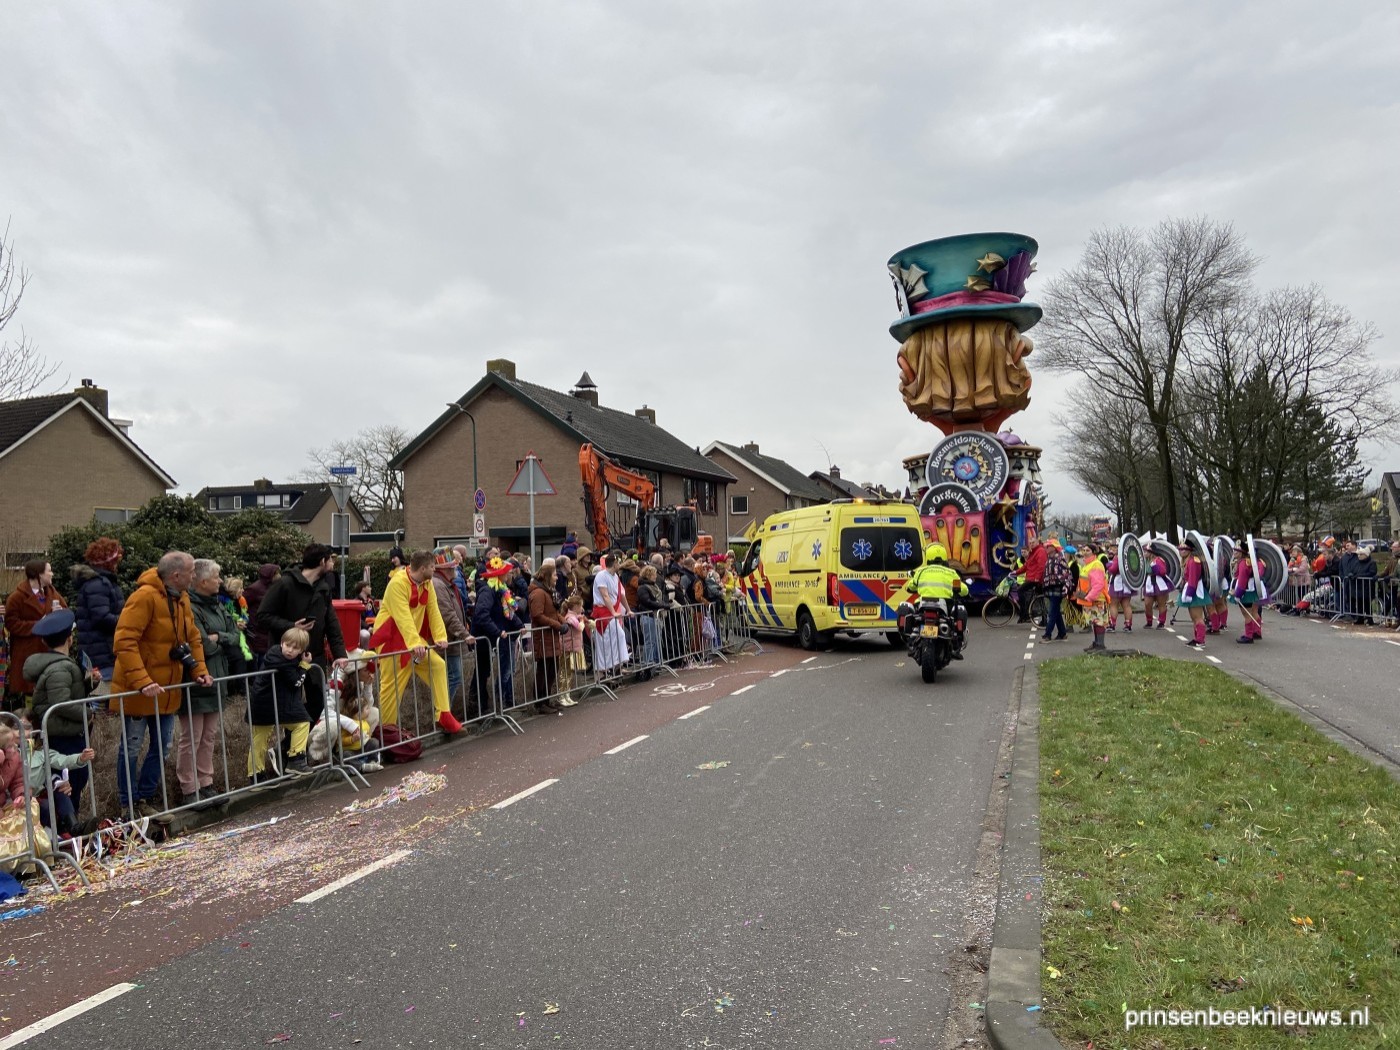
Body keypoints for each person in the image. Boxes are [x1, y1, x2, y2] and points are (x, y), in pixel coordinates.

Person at [109, 551, 213, 818]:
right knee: (131, 747)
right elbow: (124, 642)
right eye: (191, 572)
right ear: (176, 575)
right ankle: (128, 804)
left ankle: (144, 798)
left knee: (163, 746)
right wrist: (142, 681)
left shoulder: (182, 599)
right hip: (139, 689)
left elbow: (193, 638)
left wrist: (198, 670)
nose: (194, 576)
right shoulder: (143, 597)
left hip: (167, 689)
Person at [370, 550, 463, 734]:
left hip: (413, 640)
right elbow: (402, 617)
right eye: (431, 566)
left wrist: (440, 636)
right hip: (392, 639)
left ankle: (443, 714)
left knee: (437, 665)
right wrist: (414, 643)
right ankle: (387, 731)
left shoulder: (427, 583)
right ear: (422, 568)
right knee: (391, 687)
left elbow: (433, 610)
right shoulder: (397, 584)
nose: (435, 568)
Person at [25, 608, 101, 815]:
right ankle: (68, 834)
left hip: (66, 732)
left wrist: (88, 684)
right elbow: (61, 703)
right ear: (69, 638)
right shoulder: (59, 668)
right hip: (65, 736)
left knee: (72, 783)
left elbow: (67, 694)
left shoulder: (59, 665)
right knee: (68, 786)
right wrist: (88, 714)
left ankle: (69, 830)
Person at [180, 559, 240, 806]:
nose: (220, 581)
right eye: (216, 577)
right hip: (197, 679)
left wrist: (221, 637)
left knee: (209, 736)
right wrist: (219, 640)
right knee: (191, 737)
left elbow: (235, 636)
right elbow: (203, 643)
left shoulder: (217, 606)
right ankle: (188, 787)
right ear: (203, 581)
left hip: (217, 677)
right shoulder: (191, 608)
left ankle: (206, 782)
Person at [247, 627, 315, 780]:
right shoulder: (280, 660)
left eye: (295, 648)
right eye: (287, 645)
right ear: (281, 643)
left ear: (302, 650)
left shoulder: (288, 659)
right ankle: (256, 776)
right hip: (263, 704)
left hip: (277, 704)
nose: (290, 650)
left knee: (302, 723)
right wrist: (304, 665)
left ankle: (295, 759)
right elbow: (296, 682)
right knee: (260, 739)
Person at [14, 711, 95, 838]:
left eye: (26, 727)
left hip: (36, 797)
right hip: (17, 801)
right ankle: (53, 837)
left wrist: (81, 758)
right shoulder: (7, 753)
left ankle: (74, 827)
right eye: (16, 727)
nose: (20, 731)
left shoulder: (40, 751)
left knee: (59, 789)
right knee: (45, 807)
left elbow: (62, 760)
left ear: (35, 730)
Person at [5, 559, 68, 710]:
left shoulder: (53, 593)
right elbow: (11, 624)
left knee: (49, 689)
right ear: (38, 575)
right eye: (49, 570)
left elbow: (66, 612)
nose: (52, 573)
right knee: (30, 692)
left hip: (50, 651)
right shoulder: (17, 597)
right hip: (27, 654)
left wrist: (60, 615)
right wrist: (39, 625)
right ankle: (30, 725)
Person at [309, 649, 383, 771]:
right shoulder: (337, 681)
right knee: (332, 725)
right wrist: (351, 725)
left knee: (374, 713)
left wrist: (368, 685)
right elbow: (325, 712)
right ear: (356, 670)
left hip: (350, 731)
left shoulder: (359, 680)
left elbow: (367, 706)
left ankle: (360, 751)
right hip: (331, 726)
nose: (370, 673)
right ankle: (318, 760)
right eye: (366, 670)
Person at [472, 556, 524, 715]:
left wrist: (519, 625)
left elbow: (507, 612)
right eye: (507, 573)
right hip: (488, 639)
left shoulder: (501, 590)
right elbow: (481, 615)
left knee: (498, 671)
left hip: (498, 637)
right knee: (485, 673)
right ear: (500, 575)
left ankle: (494, 706)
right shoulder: (488, 591)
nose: (510, 576)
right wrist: (497, 632)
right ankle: (484, 708)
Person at [72, 537, 125, 688]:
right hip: (103, 655)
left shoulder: (100, 582)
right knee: (104, 702)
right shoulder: (99, 584)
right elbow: (102, 618)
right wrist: (126, 621)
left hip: (99, 652)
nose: (117, 565)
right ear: (108, 562)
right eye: (116, 560)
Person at [902, 543, 968, 656]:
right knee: (960, 610)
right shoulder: (951, 573)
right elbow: (964, 590)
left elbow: (910, 586)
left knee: (905, 606)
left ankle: (909, 639)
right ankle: (957, 642)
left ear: (928, 556)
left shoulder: (921, 571)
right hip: (944, 607)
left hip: (923, 606)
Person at [429, 547, 473, 711]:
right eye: (453, 566)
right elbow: (447, 614)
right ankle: (442, 712)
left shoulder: (445, 584)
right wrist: (464, 633)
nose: (456, 569)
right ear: (446, 568)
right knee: (454, 677)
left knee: (453, 677)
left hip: (451, 639)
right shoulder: (439, 585)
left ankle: (443, 712)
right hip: (447, 640)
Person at [526, 561, 565, 713]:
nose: (557, 578)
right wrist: (557, 625)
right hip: (543, 636)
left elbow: (553, 612)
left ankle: (547, 700)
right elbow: (537, 615)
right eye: (555, 575)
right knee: (543, 670)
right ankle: (540, 702)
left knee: (552, 669)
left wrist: (563, 621)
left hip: (551, 635)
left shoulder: (547, 591)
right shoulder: (538, 593)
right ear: (548, 576)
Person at [591, 554, 631, 674]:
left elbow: (621, 595)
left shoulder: (616, 577)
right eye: (618, 562)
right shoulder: (601, 576)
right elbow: (605, 595)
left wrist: (628, 609)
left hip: (611, 611)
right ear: (614, 564)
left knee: (619, 636)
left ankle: (617, 665)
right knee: (606, 641)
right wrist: (613, 612)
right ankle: (605, 668)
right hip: (603, 611)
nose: (620, 564)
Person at [242, 563, 281, 667]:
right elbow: (242, 603)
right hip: (257, 631)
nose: (278, 575)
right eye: (276, 573)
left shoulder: (274, 587)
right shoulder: (254, 589)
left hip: (269, 630)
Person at [1074, 547, 1110, 652]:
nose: (1085, 552)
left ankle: (1100, 645)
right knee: (1094, 622)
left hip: (1097, 599)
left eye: (1088, 550)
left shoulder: (1096, 564)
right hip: (1089, 599)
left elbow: (1098, 585)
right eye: (1084, 550)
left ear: (1094, 552)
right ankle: (1096, 643)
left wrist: (1089, 597)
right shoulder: (1087, 564)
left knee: (1099, 622)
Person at [1178, 542, 1212, 649]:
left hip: (1195, 591)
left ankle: (1200, 640)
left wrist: (1189, 593)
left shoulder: (1193, 561)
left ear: (1190, 550)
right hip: (1191, 589)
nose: (1181, 551)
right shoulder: (1188, 560)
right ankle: (1197, 638)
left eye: (1184, 549)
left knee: (1197, 617)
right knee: (1194, 617)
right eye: (1180, 549)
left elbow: (1193, 579)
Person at [634, 564, 667, 675]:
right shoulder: (643, 587)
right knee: (650, 642)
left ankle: (655, 662)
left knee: (656, 640)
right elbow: (646, 601)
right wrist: (661, 605)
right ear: (648, 575)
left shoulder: (653, 586)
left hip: (655, 616)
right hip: (648, 617)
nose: (655, 576)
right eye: (653, 574)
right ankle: (648, 664)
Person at [558, 596, 590, 705]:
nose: (582, 608)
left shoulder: (575, 616)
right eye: (580, 606)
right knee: (565, 672)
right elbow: (579, 627)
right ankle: (561, 696)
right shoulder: (570, 617)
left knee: (570, 673)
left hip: (572, 647)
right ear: (576, 606)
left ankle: (567, 695)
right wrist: (582, 620)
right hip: (567, 648)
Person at [1231, 548, 1264, 644]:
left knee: (1247, 614)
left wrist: (1238, 594)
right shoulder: (1248, 561)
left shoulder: (1243, 563)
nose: (1234, 553)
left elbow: (1242, 580)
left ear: (1242, 553)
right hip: (1252, 590)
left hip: (1246, 591)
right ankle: (1256, 632)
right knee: (1254, 612)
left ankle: (1249, 636)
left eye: (1237, 551)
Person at [1040, 537, 1069, 642]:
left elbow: (1066, 574)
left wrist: (1065, 586)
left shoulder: (1060, 559)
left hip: (1058, 589)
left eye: (1049, 546)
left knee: (1052, 612)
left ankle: (1048, 634)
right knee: (1055, 612)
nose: (1046, 548)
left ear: (1054, 547)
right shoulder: (1049, 559)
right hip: (1050, 589)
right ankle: (1062, 633)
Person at [1141, 547, 1172, 630]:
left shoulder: (1158, 560)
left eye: (1146, 551)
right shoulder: (1144, 561)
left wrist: (1154, 567)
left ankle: (1161, 622)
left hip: (1159, 582)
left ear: (1151, 552)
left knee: (1161, 604)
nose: (1144, 553)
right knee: (1147, 604)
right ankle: (1149, 621)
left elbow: (1162, 572)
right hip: (1149, 583)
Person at [1018, 536, 1047, 624]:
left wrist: (1037, 578)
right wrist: (1015, 572)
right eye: (1030, 543)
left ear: (1037, 542)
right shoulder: (1033, 552)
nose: (1031, 544)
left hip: (1035, 579)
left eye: (1033, 542)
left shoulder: (1040, 551)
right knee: (1040, 599)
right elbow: (1026, 566)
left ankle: (1025, 614)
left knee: (1020, 590)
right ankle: (1044, 620)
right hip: (1032, 578)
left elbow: (1041, 566)